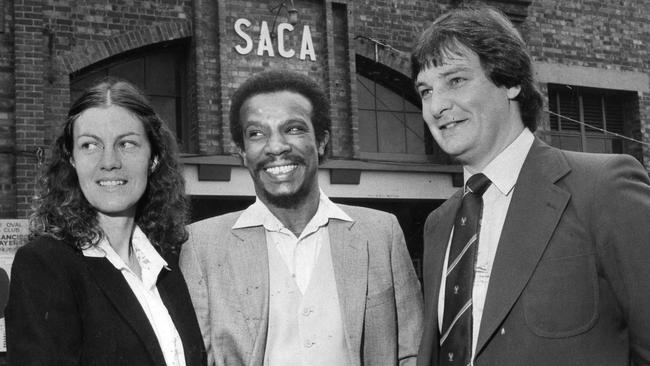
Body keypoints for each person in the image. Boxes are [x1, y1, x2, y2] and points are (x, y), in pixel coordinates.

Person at [412, 5, 650, 366]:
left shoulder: (604, 188)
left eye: (456, 80)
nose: (437, 105)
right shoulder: (439, 224)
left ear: (510, 82)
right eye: (425, 91)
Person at [180, 70, 423, 366]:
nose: (276, 146)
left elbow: (413, 352)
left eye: (293, 129)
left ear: (321, 142)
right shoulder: (202, 245)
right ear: (242, 153)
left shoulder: (381, 232)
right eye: (256, 133)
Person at [5, 79, 207, 366]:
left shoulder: (168, 259)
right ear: (72, 159)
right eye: (89, 145)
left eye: (126, 143)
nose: (109, 161)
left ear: (154, 158)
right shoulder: (45, 264)